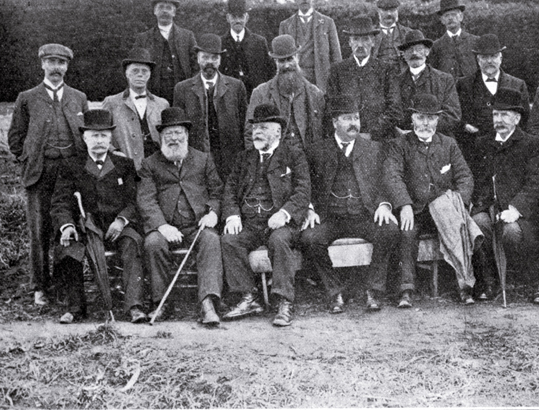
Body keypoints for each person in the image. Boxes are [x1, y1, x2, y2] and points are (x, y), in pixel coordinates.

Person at [301, 95, 399, 313]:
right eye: (347, 118)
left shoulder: (374, 149)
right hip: (331, 218)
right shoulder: (317, 150)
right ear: (335, 122)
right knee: (309, 238)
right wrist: (308, 209)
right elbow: (304, 183)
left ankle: (373, 290)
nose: (354, 123)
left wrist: (384, 204)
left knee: (389, 229)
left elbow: (387, 181)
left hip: (364, 216)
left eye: (356, 117)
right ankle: (334, 292)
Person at [8, 43, 89, 307]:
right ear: (42, 64)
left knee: (67, 227)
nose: (56, 68)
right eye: (51, 62)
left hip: (70, 172)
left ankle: (66, 285)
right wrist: (29, 159)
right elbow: (15, 138)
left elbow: (87, 133)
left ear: (67, 66)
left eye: (61, 63)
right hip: (40, 173)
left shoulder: (78, 97)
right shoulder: (28, 97)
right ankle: (40, 286)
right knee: (39, 229)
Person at [50, 109, 147, 324]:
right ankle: (75, 308)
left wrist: (121, 220)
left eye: (104, 135)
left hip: (118, 226)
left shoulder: (124, 165)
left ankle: (134, 306)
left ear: (111, 138)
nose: (99, 140)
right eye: (94, 135)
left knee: (133, 242)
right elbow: (60, 202)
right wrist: (66, 225)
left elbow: (135, 201)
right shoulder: (71, 165)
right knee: (68, 246)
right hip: (84, 226)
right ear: (85, 138)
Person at [383, 95, 480, 306]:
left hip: (444, 209)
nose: (425, 123)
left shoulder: (448, 144)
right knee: (407, 231)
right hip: (416, 210)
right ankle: (406, 290)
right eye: (420, 118)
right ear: (412, 119)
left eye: (430, 118)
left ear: (437, 120)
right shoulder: (400, 145)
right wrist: (404, 204)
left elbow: (465, 176)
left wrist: (459, 204)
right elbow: (393, 176)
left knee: (460, 227)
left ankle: (465, 286)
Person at [221, 104, 311, 327]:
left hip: (281, 224)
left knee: (279, 240)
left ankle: (283, 302)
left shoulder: (294, 155)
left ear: (278, 132)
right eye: (254, 128)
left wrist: (285, 212)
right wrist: (232, 216)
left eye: (263, 127)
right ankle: (248, 297)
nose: (257, 132)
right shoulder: (244, 158)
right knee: (230, 240)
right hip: (251, 223)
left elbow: (303, 189)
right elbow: (230, 189)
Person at [136, 107, 224, 326]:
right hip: (166, 226)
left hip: (198, 225)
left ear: (186, 134)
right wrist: (162, 226)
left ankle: (207, 303)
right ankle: (161, 302)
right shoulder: (150, 164)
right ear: (161, 136)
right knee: (153, 242)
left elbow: (218, 192)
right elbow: (146, 200)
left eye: (178, 133)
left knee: (212, 240)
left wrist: (213, 212)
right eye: (169, 134)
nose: (174, 138)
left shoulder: (203, 159)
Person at [470, 89, 539, 302]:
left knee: (512, 233)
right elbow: (477, 180)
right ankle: (490, 280)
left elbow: (536, 182)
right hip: (490, 208)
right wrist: (481, 204)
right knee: (477, 224)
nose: (499, 120)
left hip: (521, 212)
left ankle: (531, 280)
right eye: (495, 115)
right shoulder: (483, 144)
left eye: (505, 115)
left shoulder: (533, 145)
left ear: (517, 118)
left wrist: (515, 208)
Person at [173, 33, 248, 182]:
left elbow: (244, 126)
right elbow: (178, 129)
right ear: (198, 58)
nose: (210, 62)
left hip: (229, 160)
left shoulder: (236, 87)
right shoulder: (182, 89)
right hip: (196, 160)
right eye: (205, 57)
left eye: (214, 58)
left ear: (220, 60)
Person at [326, 15, 402, 141]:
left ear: (373, 42)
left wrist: (372, 134)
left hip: (379, 140)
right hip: (346, 139)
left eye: (365, 39)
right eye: (355, 39)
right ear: (350, 42)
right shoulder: (337, 71)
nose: (360, 45)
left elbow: (395, 109)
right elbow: (330, 107)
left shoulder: (386, 70)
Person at [245, 35, 325, 149]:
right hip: (274, 161)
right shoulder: (260, 93)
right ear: (275, 62)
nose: (287, 65)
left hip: (306, 159)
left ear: (297, 57)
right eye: (282, 61)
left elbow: (323, 134)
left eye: (290, 59)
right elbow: (250, 134)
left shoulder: (315, 94)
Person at [455, 34, 530, 154]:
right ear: (478, 60)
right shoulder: (464, 85)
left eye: (493, 56)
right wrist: (465, 126)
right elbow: (456, 117)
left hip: (510, 150)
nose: (489, 61)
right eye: (484, 57)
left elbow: (526, 121)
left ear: (501, 58)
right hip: (475, 151)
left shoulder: (517, 84)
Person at [102, 47, 169, 171]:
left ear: (149, 74)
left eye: (144, 71)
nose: (140, 74)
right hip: (127, 165)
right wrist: (114, 152)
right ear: (127, 73)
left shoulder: (162, 104)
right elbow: (102, 133)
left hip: (158, 167)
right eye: (135, 71)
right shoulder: (112, 102)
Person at [278, 0, 341, 92]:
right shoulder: (285, 25)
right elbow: (281, 60)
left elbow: (336, 58)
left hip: (321, 81)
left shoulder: (327, 23)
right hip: (295, 82)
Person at [132, 0, 196, 104]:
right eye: (161, 7)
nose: (165, 11)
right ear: (154, 11)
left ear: (174, 12)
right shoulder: (143, 38)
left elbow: (196, 66)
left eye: (168, 8)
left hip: (182, 96)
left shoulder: (187, 36)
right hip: (152, 97)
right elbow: (134, 68)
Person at [396, 30, 461, 136]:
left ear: (427, 51)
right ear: (403, 55)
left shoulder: (444, 79)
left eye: (419, 49)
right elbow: (394, 113)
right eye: (409, 50)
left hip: (437, 139)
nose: (414, 53)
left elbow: (452, 115)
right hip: (405, 139)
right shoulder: (396, 81)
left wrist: (422, 130)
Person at [219, 0, 275, 95]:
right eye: (234, 17)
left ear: (247, 17)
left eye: (241, 17)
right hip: (228, 96)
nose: (237, 20)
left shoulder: (259, 42)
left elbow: (269, 72)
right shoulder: (220, 43)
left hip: (254, 95)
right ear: (228, 18)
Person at [427, 0, 480, 81]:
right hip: (447, 90)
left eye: (454, 14)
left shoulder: (475, 41)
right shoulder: (436, 46)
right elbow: (433, 73)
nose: (450, 18)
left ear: (461, 17)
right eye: (446, 15)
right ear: (442, 20)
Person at [372, 0, 417, 73]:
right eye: (385, 10)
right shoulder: (370, 35)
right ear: (378, 12)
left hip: (402, 79)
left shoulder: (408, 33)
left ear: (397, 12)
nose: (389, 14)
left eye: (392, 10)